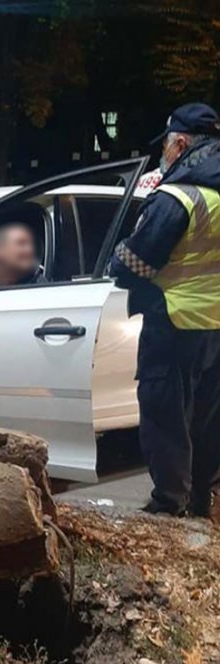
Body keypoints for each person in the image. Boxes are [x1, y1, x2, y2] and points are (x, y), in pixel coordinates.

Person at [109, 102, 220, 517]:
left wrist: (116, 257)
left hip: (174, 323)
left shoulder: (176, 198)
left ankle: (168, 503)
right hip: (215, 325)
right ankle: (200, 501)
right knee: (207, 421)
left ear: (180, 143)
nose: (165, 155)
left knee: (165, 415)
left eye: (168, 146)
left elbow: (132, 264)